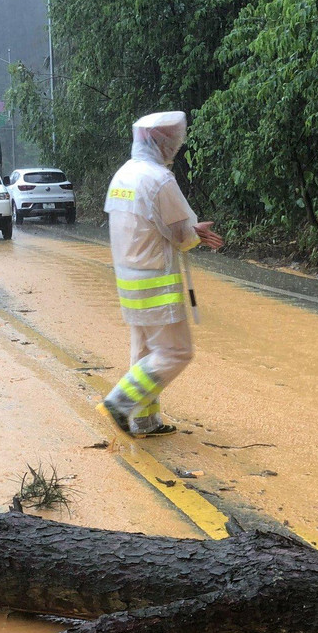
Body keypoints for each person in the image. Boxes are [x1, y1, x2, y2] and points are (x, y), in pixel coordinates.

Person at [99, 111, 223, 437]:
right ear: (161, 142)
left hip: (129, 281)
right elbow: (182, 235)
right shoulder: (159, 179)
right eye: (172, 141)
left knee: (144, 353)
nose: (174, 148)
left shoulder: (123, 176)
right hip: (156, 283)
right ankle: (120, 402)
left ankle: (144, 421)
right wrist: (197, 232)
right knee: (175, 352)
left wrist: (190, 231)